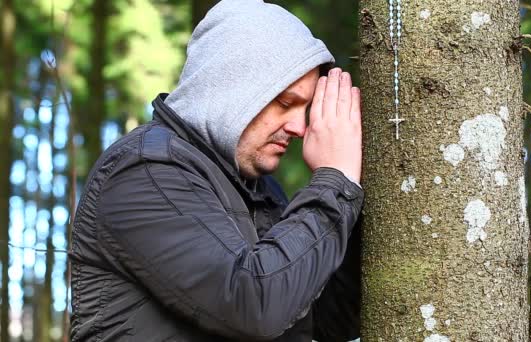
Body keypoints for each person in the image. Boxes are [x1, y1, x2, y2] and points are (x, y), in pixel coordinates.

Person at [69, 0, 363, 341]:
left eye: (306, 108)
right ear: (233, 86)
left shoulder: (261, 189)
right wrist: (333, 180)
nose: (299, 126)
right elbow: (253, 305)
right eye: (285, 103)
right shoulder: (143, 171)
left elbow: (329, 320)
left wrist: (353, 194)